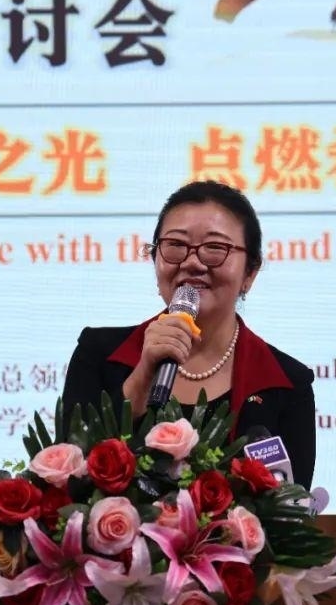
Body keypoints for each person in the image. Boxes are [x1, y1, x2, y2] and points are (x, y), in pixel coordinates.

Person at [61, 180, 316, 489]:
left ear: (250, 272)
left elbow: (290, 508)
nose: (192, 262)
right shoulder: (98, 355)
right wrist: (144, 372)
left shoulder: (287, 383)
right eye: (175, 246)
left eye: (215, 248)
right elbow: (72, 477)